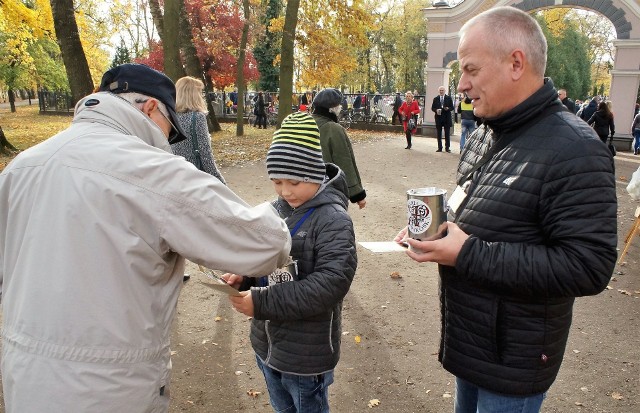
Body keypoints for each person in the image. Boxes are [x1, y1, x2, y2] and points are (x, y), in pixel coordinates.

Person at [0, 63, 292, 413]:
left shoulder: (21, 167)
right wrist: (286, 206)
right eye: (170, 131)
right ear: (151, 107)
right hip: (109, 387)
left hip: (24, 376)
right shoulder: (151, 170)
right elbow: (266, 243)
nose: (167, 141)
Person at [394, 7, 616, 413]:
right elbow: (479, 206)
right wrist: (434, 228)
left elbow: (589, 266)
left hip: (515, 361)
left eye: (471, 70)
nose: (461, 84)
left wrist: (467, 252)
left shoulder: (576, 148)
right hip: (472, 341)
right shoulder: (483, 133)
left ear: (516, 63)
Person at [223, 111, 357, 413]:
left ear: (314, 174)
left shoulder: (333, 219)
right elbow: (260, 258)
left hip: (305, 356)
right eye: (277, 181)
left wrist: (262, 303)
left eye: (295, 182)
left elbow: (330, 284)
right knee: (282, 407)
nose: (285, 191)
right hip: (268, 344)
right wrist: (243, 276)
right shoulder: (274, 210)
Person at [311, 88, 367, 209]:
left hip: (303, 189)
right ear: (332, 108)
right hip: (328, 191)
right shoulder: (333, 129)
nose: (340, 108)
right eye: (339, 105)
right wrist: (357, 194)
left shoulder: (305, 123)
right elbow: (344, 161)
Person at [171, 76, 226, 184]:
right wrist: (221, 182)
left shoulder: (170, 118)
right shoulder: (197, 118)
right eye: (199, 92)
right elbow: (205, 155)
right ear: (192, 95)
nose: (201, 96)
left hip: (177, 179)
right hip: (196, 180)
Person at [431, 86, 454, 152]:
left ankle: (447, 148)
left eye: (442, 90)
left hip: (446, 118)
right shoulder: (436, 99)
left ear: (445, 91)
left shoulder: (448, 98)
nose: (441, 91)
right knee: (439, 133)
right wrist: (436, 110)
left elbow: (452, 107)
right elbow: (432, 108)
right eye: (440, 90)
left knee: (447, 133)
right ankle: (439, 147)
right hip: (438, 118)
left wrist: (448, 108)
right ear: (439, 91)